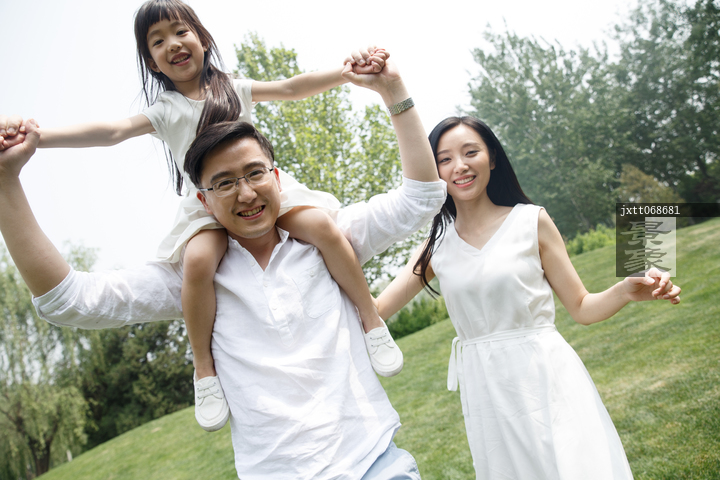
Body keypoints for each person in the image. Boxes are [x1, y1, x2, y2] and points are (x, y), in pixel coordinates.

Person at [0, 59, 445, 479]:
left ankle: (372, 323)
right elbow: (69, 302)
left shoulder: (326, 239)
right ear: (203, 201)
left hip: (376, 462)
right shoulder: (196, 280)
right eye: (225, 183)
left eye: (254, 174)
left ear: (276, 177)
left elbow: (421, 199)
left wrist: (393, 91)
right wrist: (6, 182)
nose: (246, 194)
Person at [376, 116, 682, 479]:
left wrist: (625, 290)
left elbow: (581, 308)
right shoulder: (436, 245)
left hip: (547, 376)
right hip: (486, 391)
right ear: (435, 171)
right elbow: (376, 309)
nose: (459, 166)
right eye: (445, 159)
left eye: (470, 152)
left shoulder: (531, 221)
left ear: (492, 158)